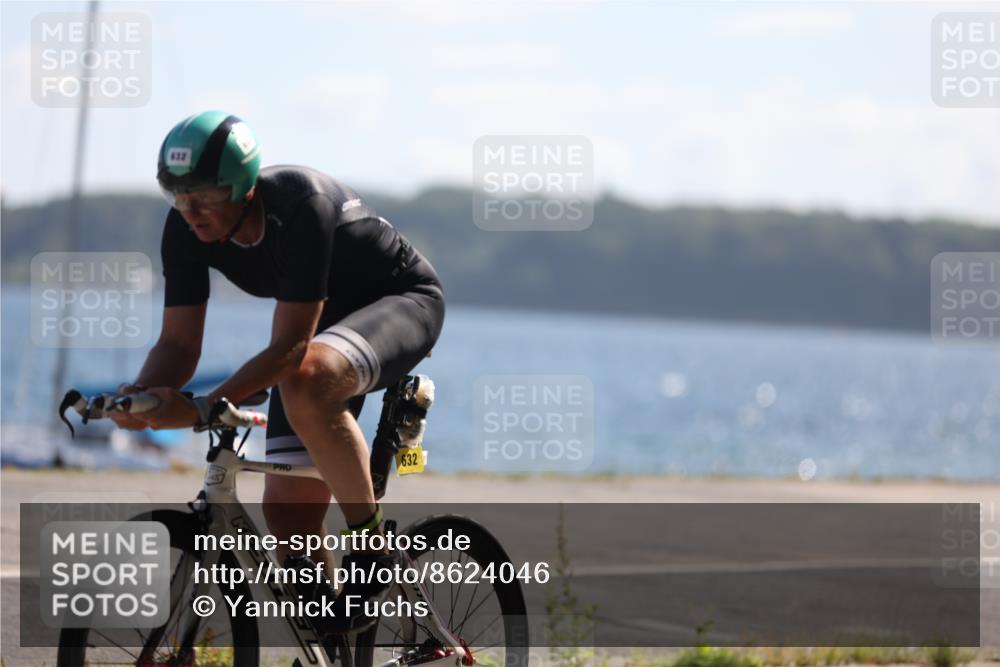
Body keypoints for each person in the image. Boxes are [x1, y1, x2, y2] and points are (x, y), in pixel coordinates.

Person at [110, 110, 445, 634]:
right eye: (175, 193)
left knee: (305, 378)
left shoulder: (300, 204)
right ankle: (333, 637)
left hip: (401, 301)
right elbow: (177, 343)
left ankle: (371, 545)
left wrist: (201, 407)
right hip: (323, 325)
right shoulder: (184, 228)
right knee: (289, 519)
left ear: (241, 187)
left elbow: (289, 349)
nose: (188, 209)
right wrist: (142, 394)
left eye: (201, 194)